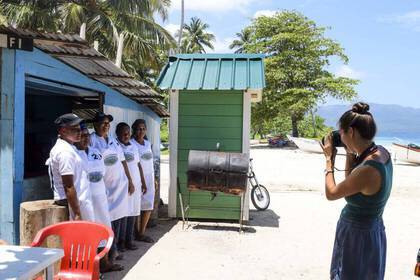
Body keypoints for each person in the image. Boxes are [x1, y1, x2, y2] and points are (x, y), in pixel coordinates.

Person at [320, 102, 393, 280]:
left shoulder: (368, 169)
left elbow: (332, 193)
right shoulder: (381, 153)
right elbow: (351, 183)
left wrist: (329, 159)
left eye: (342, 133)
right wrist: (350, 152)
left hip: (357, 235)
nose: (341, 137)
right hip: (373, 230)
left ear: (351, 132)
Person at [74, 123, 122, 272]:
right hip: (85, 201)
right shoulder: (74, 155)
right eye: (82, 135)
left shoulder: (96, 152)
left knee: (104, 230)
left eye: (87, 135)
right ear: (76, 138)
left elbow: (103, 173)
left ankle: (105, 262)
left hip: (101, 198)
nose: (85, 138)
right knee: (88, 233)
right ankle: (90, 267)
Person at [90, 112, 134, 261]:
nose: (106, 125)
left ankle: (115, 248)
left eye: (108, 123)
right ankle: (109, 252)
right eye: (103, 123)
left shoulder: (113, 141)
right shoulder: (91, 140)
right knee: (107, 220)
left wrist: (130, 180)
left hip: (120, 186)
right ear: (95, 124)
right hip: (106, 188)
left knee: (120, 218)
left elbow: (123, 161)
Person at [46, 113, 94, 221]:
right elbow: (68, 186)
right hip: (72, 202)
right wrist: (77, 213)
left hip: (79, 198)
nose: (79, 132)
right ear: (63, 131)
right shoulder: (64, 152)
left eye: (79, 129)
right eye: (75, 129)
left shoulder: (70, 147)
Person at [115, 122, 147, 251]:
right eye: (123, 132)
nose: (126, 135)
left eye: (128, 132)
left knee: (133, 212)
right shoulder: (117, 147)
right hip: (124, 185)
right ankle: (121, 242)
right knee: (124, 214)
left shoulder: (133, 146)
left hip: (136, 184)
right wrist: (129, 182)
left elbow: (138, 165)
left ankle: (129, 240)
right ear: (117, 134)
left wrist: (143, 182)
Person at [131, 119, 156, 243]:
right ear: (134, 130)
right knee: (136, 206)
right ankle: (135, 233)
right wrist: (141, 181)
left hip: (149, 178)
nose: (141, 131)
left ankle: (142, 232)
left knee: (148, 206)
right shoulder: (131, 144)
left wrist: (154, 178)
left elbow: (150, 162)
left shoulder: (147, 143)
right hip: (137, 178)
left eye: (143, 129)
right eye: (139, 129)